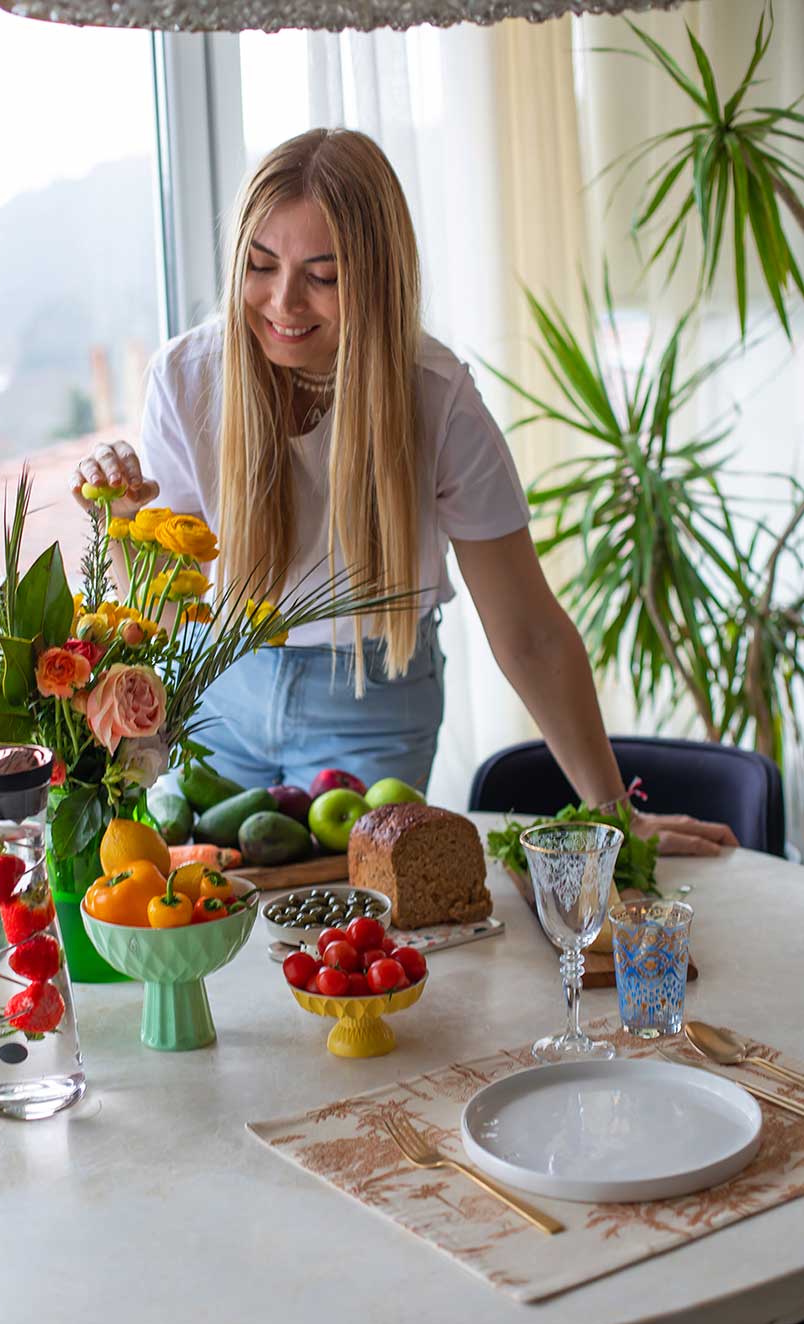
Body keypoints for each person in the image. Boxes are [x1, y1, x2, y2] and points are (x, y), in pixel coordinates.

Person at [71, 127, 737, 859]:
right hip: (219, 694)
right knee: (207, 922)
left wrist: (617, 813)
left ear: (377, 275)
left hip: (371, 696)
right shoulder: (186, 375)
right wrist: (128, 522)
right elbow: (170, 604)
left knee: (349, 940)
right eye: (261, 266)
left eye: (322, 276)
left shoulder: (435, 395)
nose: (283, 301)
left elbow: (530, 632)